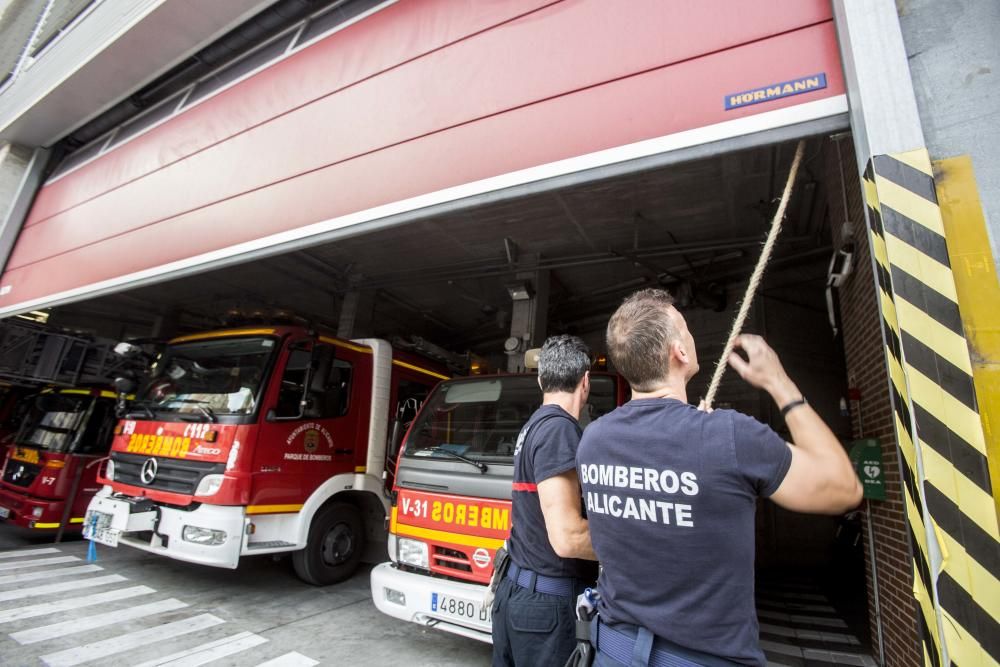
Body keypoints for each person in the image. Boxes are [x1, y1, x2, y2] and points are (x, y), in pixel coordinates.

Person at [577, 288, 862, 666]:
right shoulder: (730, 436)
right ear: (679, 352)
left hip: (612, 652)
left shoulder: (593, 441)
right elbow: (843, 487)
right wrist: (779, 382)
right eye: (686, 329)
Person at [492, 335, 599, 667]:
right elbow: (567, 538)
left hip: (518, 593)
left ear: (541, 379)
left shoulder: (532, 427)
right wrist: (638, 545)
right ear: (586, 381)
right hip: (546, 607)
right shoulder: (559, 431)